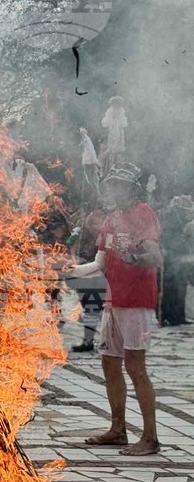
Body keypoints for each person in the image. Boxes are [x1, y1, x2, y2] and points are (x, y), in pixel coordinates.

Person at [71, 164, 163, 456]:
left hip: (137, 302)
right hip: (114, 301)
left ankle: (150, 438)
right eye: (111, 185)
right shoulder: (110, 220)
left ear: (133, 189)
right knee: (110, 363)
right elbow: (99, 263)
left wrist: (132, 256)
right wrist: (67, 271)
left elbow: (155, 257)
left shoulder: (142, 213)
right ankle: (118, 430)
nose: (113, 190)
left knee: (135, 367)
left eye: (119, 185)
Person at [69, 206, 108, 353]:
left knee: (96, 308)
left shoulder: (105, 230)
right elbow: (70, 243)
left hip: (98, 275)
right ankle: (88, 339)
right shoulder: (81, 233)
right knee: (88, 308)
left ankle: (96, 340)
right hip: (84, 272)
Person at [159, 195, 194, 326]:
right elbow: (167, 236)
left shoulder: (178, 217)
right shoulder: (170, 216)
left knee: (181, 287)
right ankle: (167, 316)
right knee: (170, 287)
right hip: (171, 255)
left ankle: (178, 316)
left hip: (180, 256)